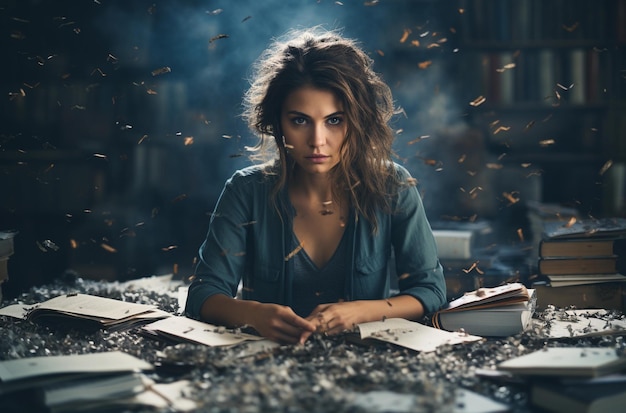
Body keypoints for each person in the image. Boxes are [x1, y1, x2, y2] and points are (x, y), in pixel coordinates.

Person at [185, 27, 446, 344]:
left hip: (368, 367)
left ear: (358, 120)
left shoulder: (394, 186)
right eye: (299, 120)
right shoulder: (246, 191)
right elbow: (203, 294)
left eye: (334, 120)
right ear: (277, 122)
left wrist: (359, 312)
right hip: (265, 369)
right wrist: (255, 314)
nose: (317, 141)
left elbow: (430, 291)